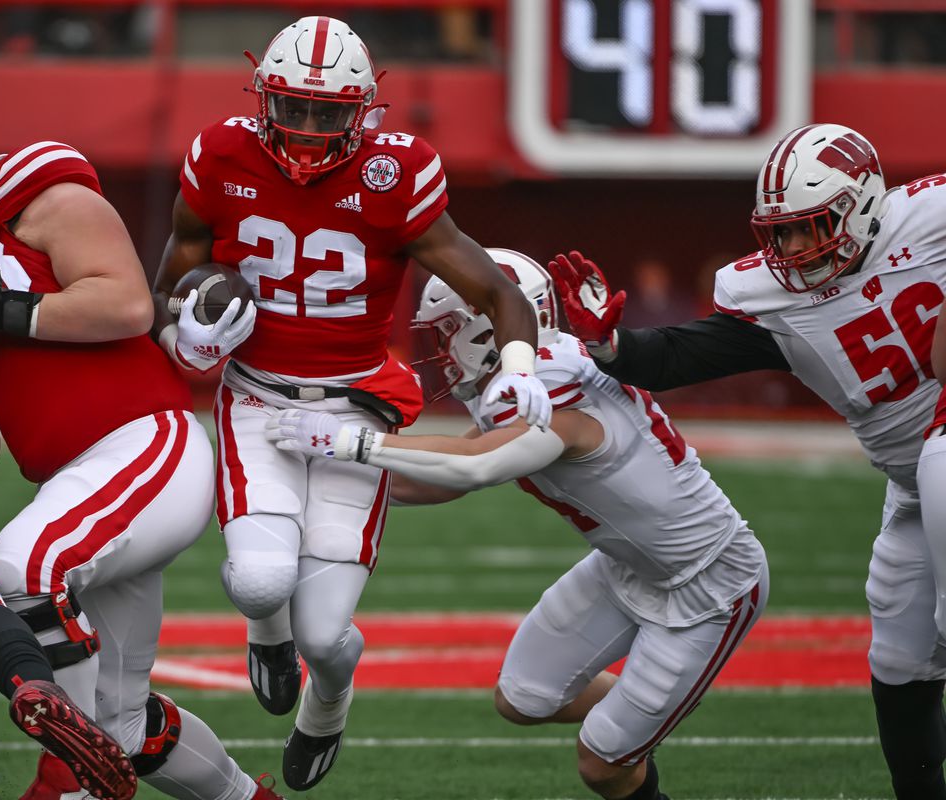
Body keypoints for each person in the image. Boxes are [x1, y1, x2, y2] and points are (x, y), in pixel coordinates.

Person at [0, 118, 284, 800]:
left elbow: (127, 303)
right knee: (124, 727)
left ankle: (68, 776)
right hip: (83, 484)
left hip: (145, 438)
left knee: (27, 565)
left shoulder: (26, 189)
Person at [152, 15, 546, 790]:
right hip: (258, 399)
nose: (305, 129)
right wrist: (184, 337)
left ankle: (328, 705)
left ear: (362, 111)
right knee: (263, 581)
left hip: (354, 407)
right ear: (262, 97)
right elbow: (170, 286)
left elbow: (499, 293)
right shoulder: (220, 154)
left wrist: (521, 366)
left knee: (327, 635)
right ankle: (264, 632)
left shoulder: (397, 173)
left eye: (326, 112)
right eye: (292, 107)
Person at [264, 248, 766, 800]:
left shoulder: (551, 389)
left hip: (710, 580)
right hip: (628, 565)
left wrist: (349, 442)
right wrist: (325, 488)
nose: (442, 349)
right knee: (525, 698)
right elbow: (451, 473)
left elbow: (476, 464)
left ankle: (639, 723)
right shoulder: (531, 372)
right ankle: (645, 708)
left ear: (487, 326)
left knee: (601, 765)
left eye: (449, 330)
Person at [552, 123, 946, 800]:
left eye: (811, 226)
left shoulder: (932, 218)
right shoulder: (768, 296)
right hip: (911, 482)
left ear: (865, 203)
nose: (794, 249)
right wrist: (613, 344)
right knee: (900, 658)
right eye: (782, 232)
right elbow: (683, 354)